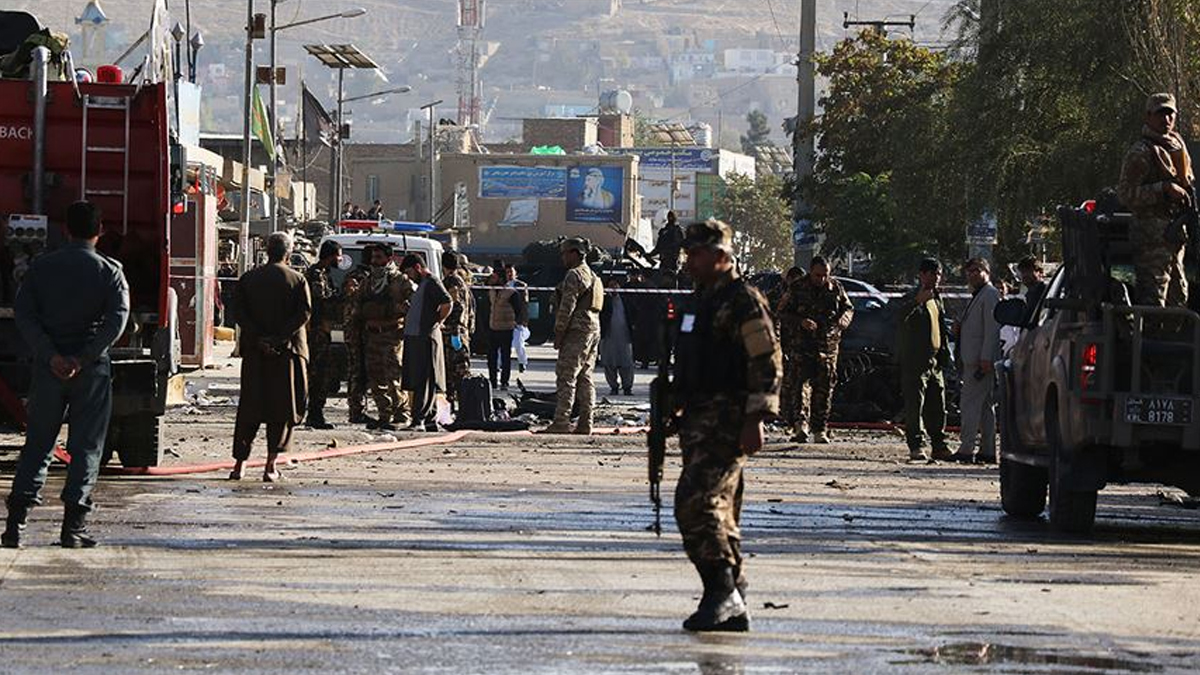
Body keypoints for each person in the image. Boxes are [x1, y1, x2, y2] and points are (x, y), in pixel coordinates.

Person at [671, 219, 781, 632]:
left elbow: (766, 361)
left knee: (695, 503)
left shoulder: (743, 301)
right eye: (688, 254)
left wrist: (756, 419)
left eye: (697, 254)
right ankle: (733, 595)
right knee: (721, 511)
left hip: (728, 421)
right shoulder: (701, 300)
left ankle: (721, 592)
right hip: (698, 421)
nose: (689, 262)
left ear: (721, 256)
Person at [2, 201, 129, 549]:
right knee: (86, 446)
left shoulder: (42, 268)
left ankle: (15, 527)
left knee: (38, 444)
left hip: (48, 370)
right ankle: (72, 529)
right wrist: (84, 358)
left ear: (65, 230)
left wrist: (51, 355)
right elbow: (116, 321)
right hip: (91, 372)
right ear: (99, 231)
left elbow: (24, 314)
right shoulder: (111, 271)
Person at [230, 232, 311, 482]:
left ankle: (239, 465)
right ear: (289, 252)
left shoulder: (248, 279)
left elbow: (238, 312)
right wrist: (278, 339)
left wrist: (259, 339)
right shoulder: (297, 280)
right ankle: (270, 466)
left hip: (255, 354)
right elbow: (304, 313)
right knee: (282, 409)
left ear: (267, 251)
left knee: (250, 408)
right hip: (286, 354)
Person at [1118, 92, 1194, 307]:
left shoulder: (1177, 147)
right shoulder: (1141, 152)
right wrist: (1163, 189)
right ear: (1148, 116)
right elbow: (1125, 194)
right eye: (1160, 114)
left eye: (1170, 114)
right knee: (1153, 301)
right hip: (1150, 239)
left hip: (1174, 236)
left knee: (1179, 300)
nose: (1166, 119)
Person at [786, 257, 853, 444]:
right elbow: (782, 312)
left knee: (824, 388)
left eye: (825, 275)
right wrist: (800, 321)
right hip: (802, 346)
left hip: (827, 347)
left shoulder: (836, 288)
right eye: (818, 275)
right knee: (800, 386)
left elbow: (848, 308)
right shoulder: (797, 288)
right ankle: (801, 424)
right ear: (810, 272)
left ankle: (819, 428)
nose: (822, 279)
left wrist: (844, 319)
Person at [893, 258, 952, 463]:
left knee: (937, 405)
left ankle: (939, 444)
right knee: (915, 406)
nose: (936, 278)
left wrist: (944, 355)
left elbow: (941, 328)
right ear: (921, 275)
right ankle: (916, 445)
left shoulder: (936, 298)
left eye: (938, 274)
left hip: (935, 361)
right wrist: (917, 301)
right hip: (915, 361)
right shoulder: (912, 297)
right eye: (932, 273)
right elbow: (897, 317)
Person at [543, 238, 604, 434]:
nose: (563, 258)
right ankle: (586, 422)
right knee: (585, 377)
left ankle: (561, 421)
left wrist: (559, 332)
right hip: (592, 328)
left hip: (576, 331)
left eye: (565, 253)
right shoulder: (592, 275)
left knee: (566, 375)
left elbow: (566, 307)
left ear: (575, 253)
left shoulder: (574, 274)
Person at [953, 258, 1001, 464]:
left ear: (986, 271)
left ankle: (966, 449)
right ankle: (987, 451)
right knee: (985, 408)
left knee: (970, 405)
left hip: (979, 361)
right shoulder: (979, 295)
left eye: (976, 270)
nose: (971, 275)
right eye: (969, 271)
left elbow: (992, 329)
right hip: (975, 359)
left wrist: (986, 357)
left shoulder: (989, 294)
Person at [360, 244, 413, 430]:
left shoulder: (400, 281)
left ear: (389, 259)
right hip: (373, 336)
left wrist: (399, 318)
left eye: (379, 257)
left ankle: (401, 414)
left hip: (392, 336)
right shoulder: (368, 281)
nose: (374, 261)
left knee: (393, 378)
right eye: (373, 257)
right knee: (376, 378)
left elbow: (413, 306)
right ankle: (384, 414)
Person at [399, 255, 453, 431]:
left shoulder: (431, 282)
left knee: (424, 379)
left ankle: (419, 419)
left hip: (425, 337)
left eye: (409, 272)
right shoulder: (422, 285)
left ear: (417, 267)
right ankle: (430, 419)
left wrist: (437, 321)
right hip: (415, 336)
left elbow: (447, 303)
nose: (409, 277)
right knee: (417, 378)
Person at [303, 240, 341, 429]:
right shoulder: (316, 274)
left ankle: (314, 413)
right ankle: (314, 414)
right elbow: (321, 300)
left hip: (321, 330)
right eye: (338, 255)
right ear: (331, 255)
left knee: (321, 374)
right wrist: (343, 296)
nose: (340, 260)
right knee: (318, 374)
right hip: (316, 331)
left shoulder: (324, 273)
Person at [342, 245, 374, 425]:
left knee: (360, 371)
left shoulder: (356, 276)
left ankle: (358, 410)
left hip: (357, 330)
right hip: (357, 330)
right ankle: (356, 411)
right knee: (357, 372)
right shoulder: (361, 278)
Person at [775, 266, 806, 429]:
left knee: (800, 382)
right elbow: (774, 319)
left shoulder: (805, 294)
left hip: (800, 344)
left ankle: (799, 418)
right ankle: (787, 417)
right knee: (785, 383)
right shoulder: (777, 295)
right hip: (783, 344)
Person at [599, 276, 635, 396]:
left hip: (624, 336)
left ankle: (627, 387)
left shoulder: (626, 299)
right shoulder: (603, 300)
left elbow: (633, 314)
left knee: (627, 363)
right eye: (611, 285)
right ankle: (613, 387)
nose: (614, 287)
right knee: (609, 363)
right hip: (608, 336)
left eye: (616, 285)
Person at [441, 274, 472, 406]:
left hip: (454, 338)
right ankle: (458, 405)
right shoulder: (465, 288)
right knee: (455, 375)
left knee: (457, 375)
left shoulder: (451, 285)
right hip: (457, 338)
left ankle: (461, 405)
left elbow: (457, 313)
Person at [487, 266, 517, 390]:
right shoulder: (491, 291)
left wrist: (516, 322)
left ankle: (504, 381)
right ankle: (492, 381)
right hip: (493, 327)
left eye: (495, 277)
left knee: (505, 357)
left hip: (506, 328)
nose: (492, 279)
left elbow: (518, 309)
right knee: (491, 357)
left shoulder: (511, 292)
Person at [507, 265, 531, 374]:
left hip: (518, 321)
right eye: (507, 272)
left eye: (511, 272)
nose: (509, 274)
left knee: (518, 344)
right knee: (503, 346)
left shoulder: (521, 286)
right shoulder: (502, 285)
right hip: (505, 319)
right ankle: (499, 365)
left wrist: (523, 320)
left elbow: (524, 304)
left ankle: (522, 362)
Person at [649, 210, 685, 276]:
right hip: (665, 262)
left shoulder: (677, 231)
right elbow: (658, 248)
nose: (670, 218)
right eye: (669, 217)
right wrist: (650, 255)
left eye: (672, 217)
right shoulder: (664, 231)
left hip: (673, 262)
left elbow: (680, 245)